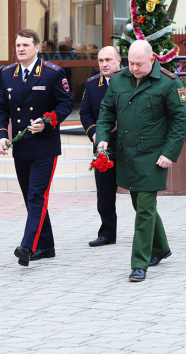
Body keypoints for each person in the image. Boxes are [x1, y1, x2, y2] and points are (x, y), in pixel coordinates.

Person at [96, 40, 186, 282]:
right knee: (140, 204)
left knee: (145, 209)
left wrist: (170, 153)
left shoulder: (169, 82)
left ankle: (139, 264)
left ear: (152, 59)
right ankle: (161, 248)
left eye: (139, 64)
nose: (134, 68)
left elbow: (180, 121)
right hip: (126, 154)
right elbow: (107, 111)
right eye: (131, 63)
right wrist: (102, 137)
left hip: (153, 155)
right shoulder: (119, 79)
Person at [0, 29, 74, 267]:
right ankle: (46, 246)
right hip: (22, 146)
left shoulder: (52, 73)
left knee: (37, 195)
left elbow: (66, 104)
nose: (21, 49)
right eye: (18, 45)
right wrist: (1, 136)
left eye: (26, 45)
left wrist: (47, 122)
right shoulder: (7, 74)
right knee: (30, 198)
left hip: (44, 146)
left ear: (37, 48)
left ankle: (27, 246)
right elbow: (1, 108)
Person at [80, 46, 121, 247]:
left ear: (119, 61)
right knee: (104, 193)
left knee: (139, 193)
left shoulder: (130, 81)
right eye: (101, 60)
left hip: (128, 144)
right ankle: (107, 233)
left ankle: (146, 233)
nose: (104, 64)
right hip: (103, 148)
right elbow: (85, 113)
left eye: (108, 60)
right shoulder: (92, 84)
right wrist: (95, 134)